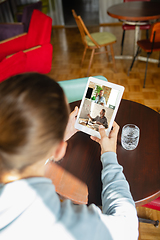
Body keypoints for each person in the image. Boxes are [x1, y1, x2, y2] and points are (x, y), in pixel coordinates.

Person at [0, 73, 138, 240]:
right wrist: (109, 155)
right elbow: (128, 227)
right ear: (59, 151)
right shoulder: (68, 226)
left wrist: (55, 140)